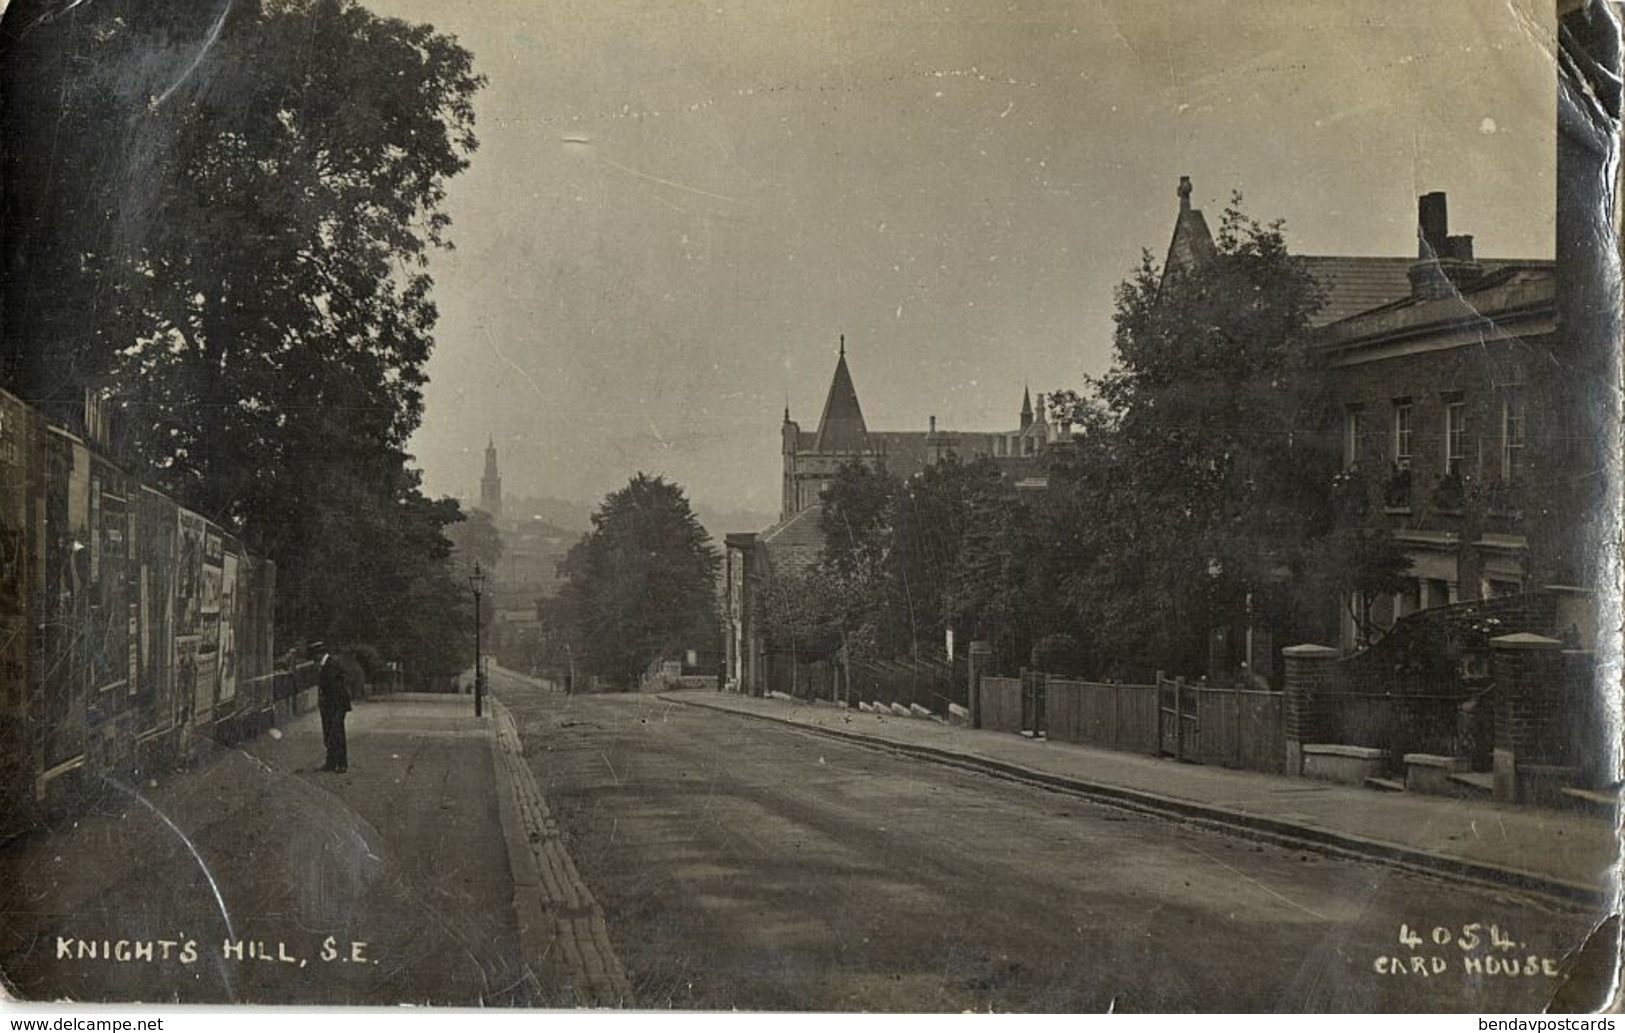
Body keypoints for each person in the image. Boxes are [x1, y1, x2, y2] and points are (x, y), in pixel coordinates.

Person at [317, 652, 351, 773]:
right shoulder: (328, 664)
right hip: (332, 705)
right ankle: (331, 763)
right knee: (331, 733)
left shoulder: (331, 665)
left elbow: (334, 687)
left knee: (336, 733)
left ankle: (341, 764)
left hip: (337, 704)